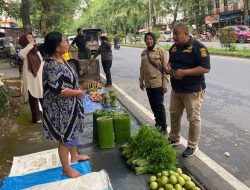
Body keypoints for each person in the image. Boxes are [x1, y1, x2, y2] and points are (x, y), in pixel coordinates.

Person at [42, 31, 89, 178]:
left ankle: (74, 155)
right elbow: (58, 90)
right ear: (57, 47)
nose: (67, 43)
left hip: (70, 105)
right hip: (60, 108)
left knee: (72, 130)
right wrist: (78, 93)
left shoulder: (62, 59)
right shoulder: (50, 65)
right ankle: (66, 168)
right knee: (66, 136)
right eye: (64, 41)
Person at [166, 23, 210, 157]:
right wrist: (168, 67)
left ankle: (192, 145)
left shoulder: (199, 48)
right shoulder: (173, 48)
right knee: (174, 113)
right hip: (177, 89)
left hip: (193, 90)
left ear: (186, 34)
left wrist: (184, 72)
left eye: (176, 34)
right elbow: (171, 62)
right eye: (173, 34)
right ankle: (174, 138)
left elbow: (205, 68)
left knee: (193, 118)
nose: (174, 37)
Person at [139, 32, 169, 133]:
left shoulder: (161, 51)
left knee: (159, 106)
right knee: (152, 105)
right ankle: (158, 123)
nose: (149, 41)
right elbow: (142, 68)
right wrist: (141, 81)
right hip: (148, 84)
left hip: (157, 83)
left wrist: (165, 85)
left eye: (150, 39)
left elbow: (166, 69)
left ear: (154, 39)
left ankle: (163, 127)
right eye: (147, 39)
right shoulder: (143, 53)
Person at [18, 33, 43, 124]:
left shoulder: (36, 50)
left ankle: (45, 114)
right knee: (32, 97)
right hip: (29, 78)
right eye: (29, 38)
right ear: (24, 40)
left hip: (38, 77)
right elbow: (22, 56)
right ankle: (36, 118)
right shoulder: (23, 50)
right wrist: (30, 44)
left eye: (32, 37)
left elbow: (41, 62)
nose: (31, 39)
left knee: (41, 95)